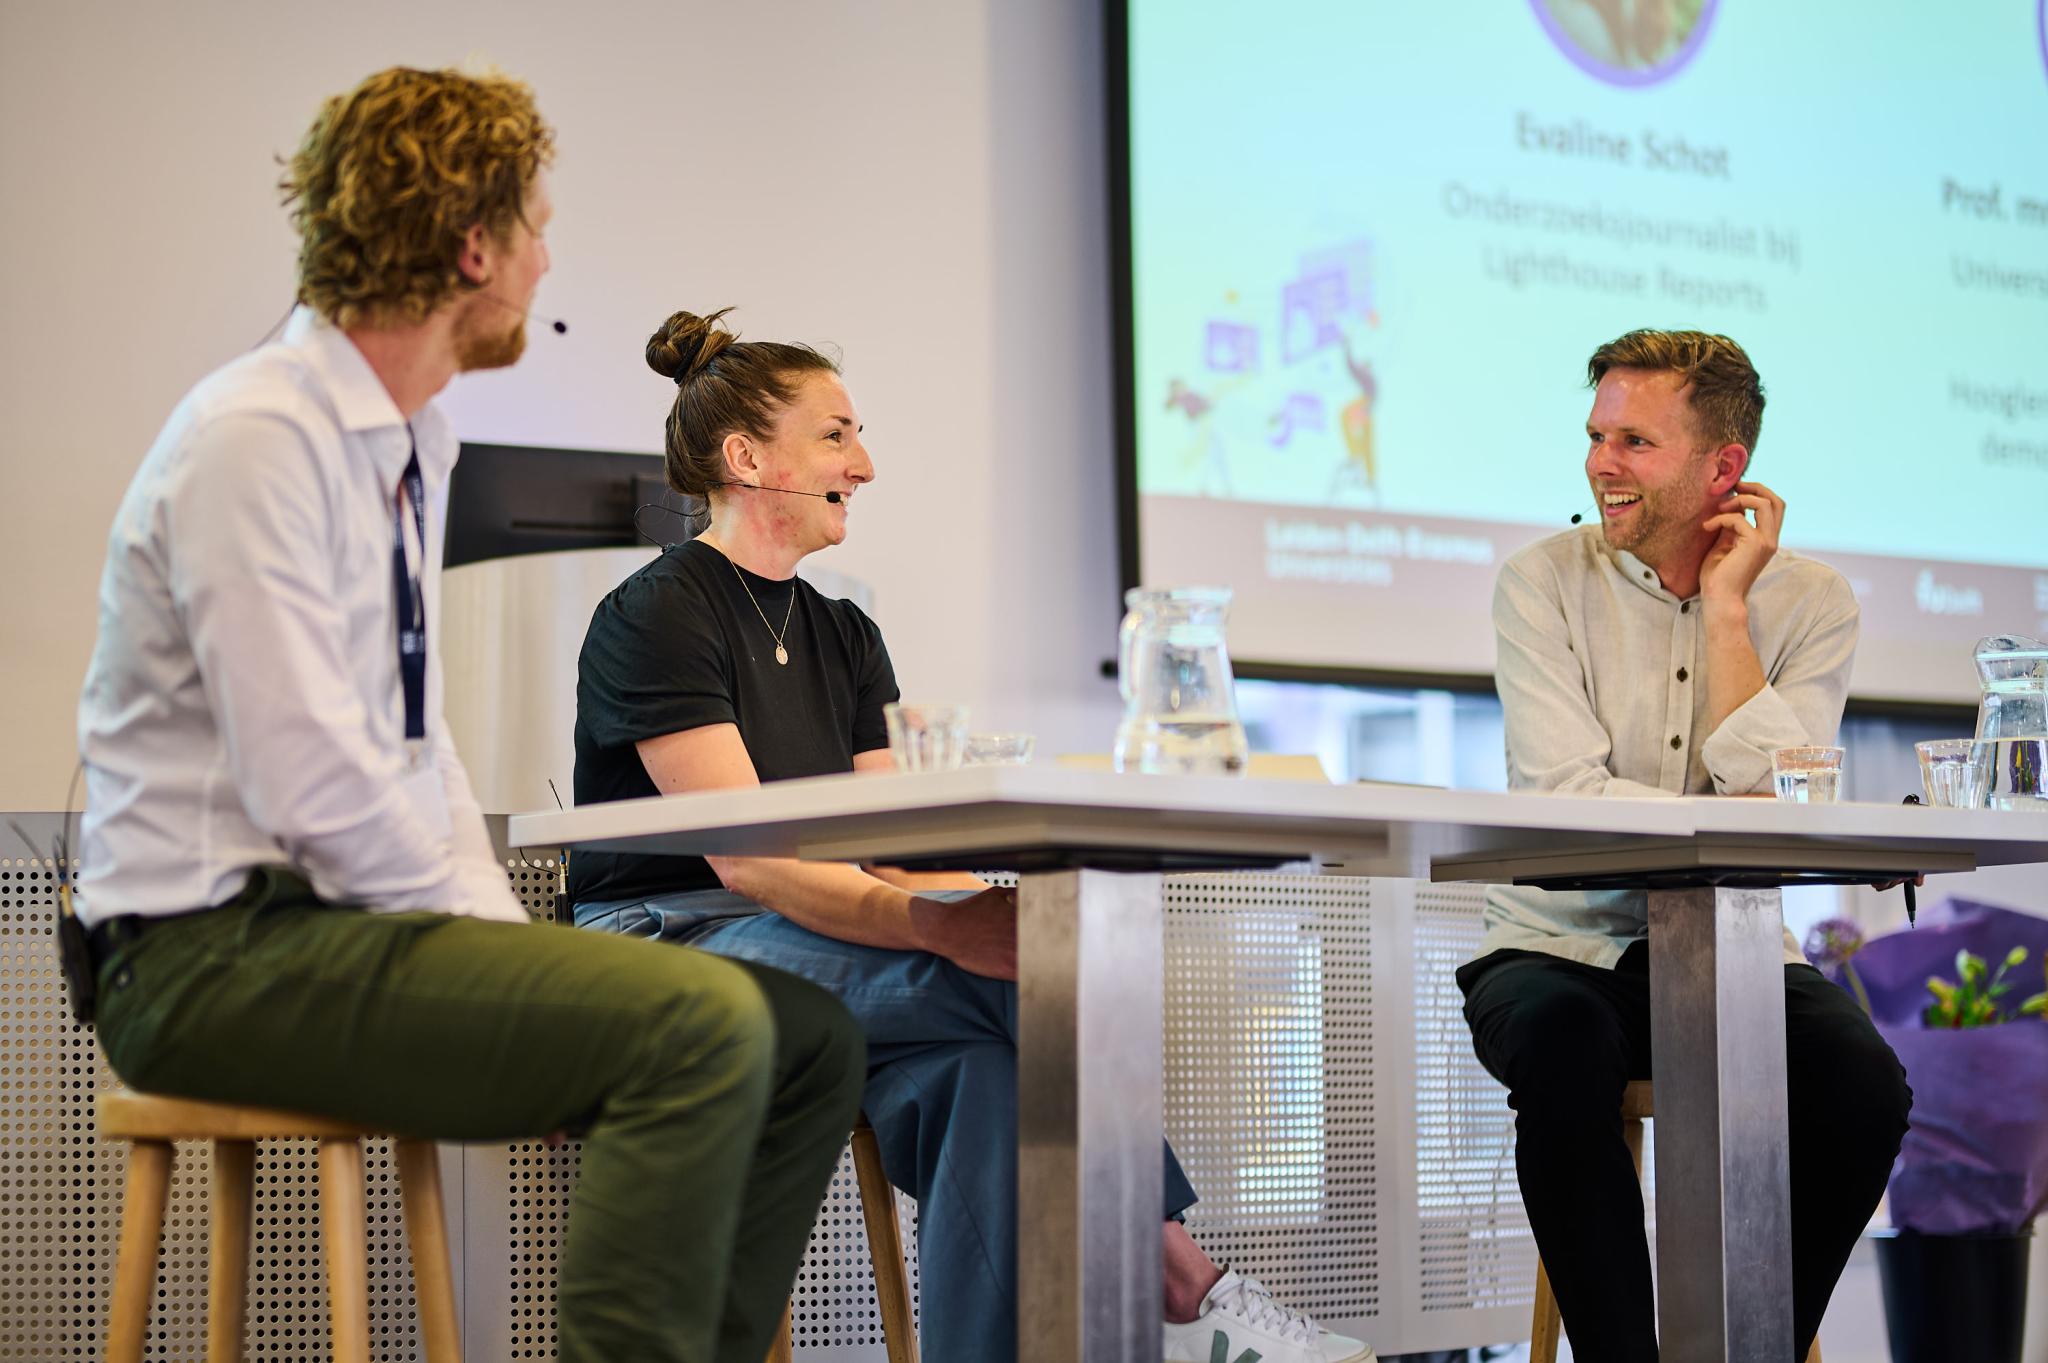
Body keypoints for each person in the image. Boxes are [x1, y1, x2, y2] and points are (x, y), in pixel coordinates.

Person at [74, 68, 865, 1363]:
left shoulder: (407, 438)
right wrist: (535, 989)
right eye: (538, 230)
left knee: (812, 1040)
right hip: (200, 953)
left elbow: (413, 753)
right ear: (472, 243)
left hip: (320, 928)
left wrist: (519, 963)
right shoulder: (257, 437)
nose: (548, 263)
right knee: (701, 1021)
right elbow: (312, 792)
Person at [570, 307, 1376, 1363]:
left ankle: (1156, 1303)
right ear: (746, 457)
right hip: (676, 937)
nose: (863, 462)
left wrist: (980, 905)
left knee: (987, 1080)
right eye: (836, 435)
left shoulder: (844, 629)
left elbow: (895, 842)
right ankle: (1186, 1283)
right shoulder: (658, 610)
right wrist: (951, 932)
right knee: (1039, 981)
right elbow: (749, 858)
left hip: (821, 942)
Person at [1457, 329, 1911, 1362]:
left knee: (1861, 1085)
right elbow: (1563, 794)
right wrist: (1733, 815)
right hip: (1551, 946)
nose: (1599, 464)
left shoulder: (1810, 602)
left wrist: (1724, 612)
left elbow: (1772, 801)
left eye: (1633, 441)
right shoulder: (1538, 583)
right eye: (1594, 435)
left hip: (1729, 950)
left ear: (1723, 468)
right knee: (1563, 1043)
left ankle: (1742, 1348)